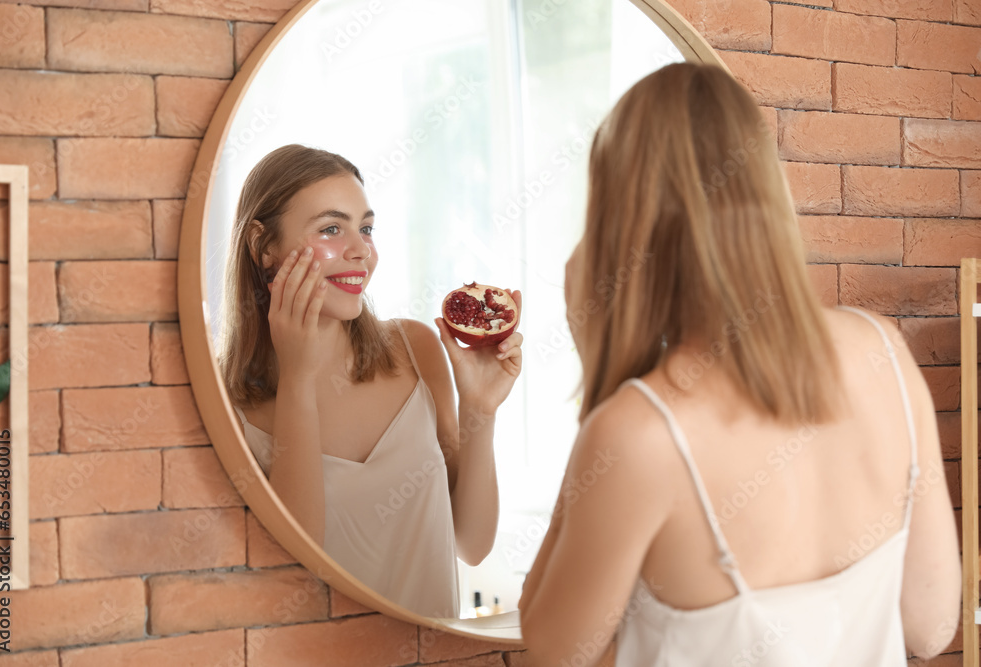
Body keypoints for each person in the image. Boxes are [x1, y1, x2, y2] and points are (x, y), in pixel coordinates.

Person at [518, 63, 960, 665]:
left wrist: (600, 380)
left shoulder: (639, 431)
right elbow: (931, 628)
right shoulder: (883, 350)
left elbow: (555, 653)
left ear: (621, 226)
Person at [217, 144, 524, 618]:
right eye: (331, 229)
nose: (361, 250)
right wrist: (297, 379)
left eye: (366, 228)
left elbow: (473, 543)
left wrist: (480, 412)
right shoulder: (227, 404)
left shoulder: (414, 349)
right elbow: (297, 564)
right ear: (264, 247)